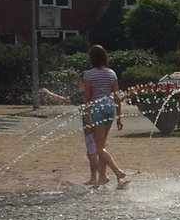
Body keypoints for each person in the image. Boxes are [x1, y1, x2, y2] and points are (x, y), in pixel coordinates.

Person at [81, 45, 130, 188]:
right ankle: (102, 177)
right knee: (102, 145)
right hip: (109, 109)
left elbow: (87, 98)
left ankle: (118, 172)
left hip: (97, 110)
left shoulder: (88, 75)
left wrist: (87, 119)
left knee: (98, 147)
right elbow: (116, 96)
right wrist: (119, 118)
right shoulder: (112, 73)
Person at [41, 87, 102, 186]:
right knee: (92, 153)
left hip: (90, 129)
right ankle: (94, 178)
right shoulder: (97, 93)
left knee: (92, 154)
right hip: (97, 128)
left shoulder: (85, 94)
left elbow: (64, 100)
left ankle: (104, 176)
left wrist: (49, 93)